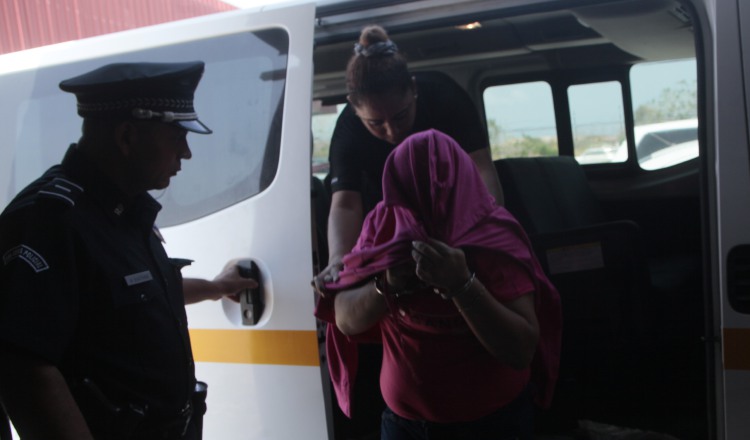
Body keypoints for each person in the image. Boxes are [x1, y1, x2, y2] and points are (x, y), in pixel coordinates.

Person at [0, 61, 257, 440]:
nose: (185, 153)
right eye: (176, 137)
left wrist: (218, 287)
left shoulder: (124, 210)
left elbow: (137, 295)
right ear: (126, 136)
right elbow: (25, 369)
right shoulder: (50, 220)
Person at [315, 129, 561, 440]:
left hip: (492, 424)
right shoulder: (384, 229)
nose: (428, 212)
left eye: (441, 195)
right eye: (412, 198)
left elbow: (520, 350)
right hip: (405, 425)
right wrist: (388, 285)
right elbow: (346, 320)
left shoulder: (493, 237)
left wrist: (461, 285)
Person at [318, 24, 505, 287]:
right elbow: (346, 203)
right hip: (385, 224)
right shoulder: (348, 129)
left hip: (454, 214)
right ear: (355, 108)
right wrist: (338, 258)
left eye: (400, 116)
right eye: (375, 123)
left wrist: (490, 231)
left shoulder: (445, 97)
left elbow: (481, 170)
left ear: (413, 89)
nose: (392, 131)